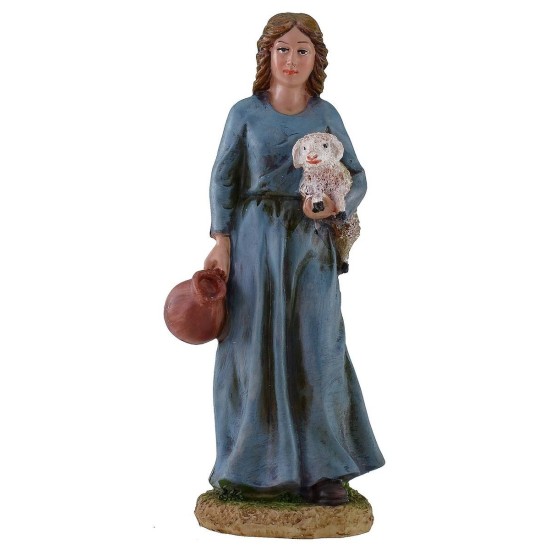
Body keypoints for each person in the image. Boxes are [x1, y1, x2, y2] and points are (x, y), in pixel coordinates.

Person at [203, 12, 384, 506]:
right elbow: (223, 178)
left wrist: (334, 204)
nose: (291, 59)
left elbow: (357, 175)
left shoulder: (326, 114)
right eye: (283, 49)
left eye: (302, 50)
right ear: (267, 55)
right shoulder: (244, 113)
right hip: (255, 242)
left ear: (316, 59)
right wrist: (222, 241)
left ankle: (324, 470)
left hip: (310, 245)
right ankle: (245, 468)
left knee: (318, 347)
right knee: (251, 348)